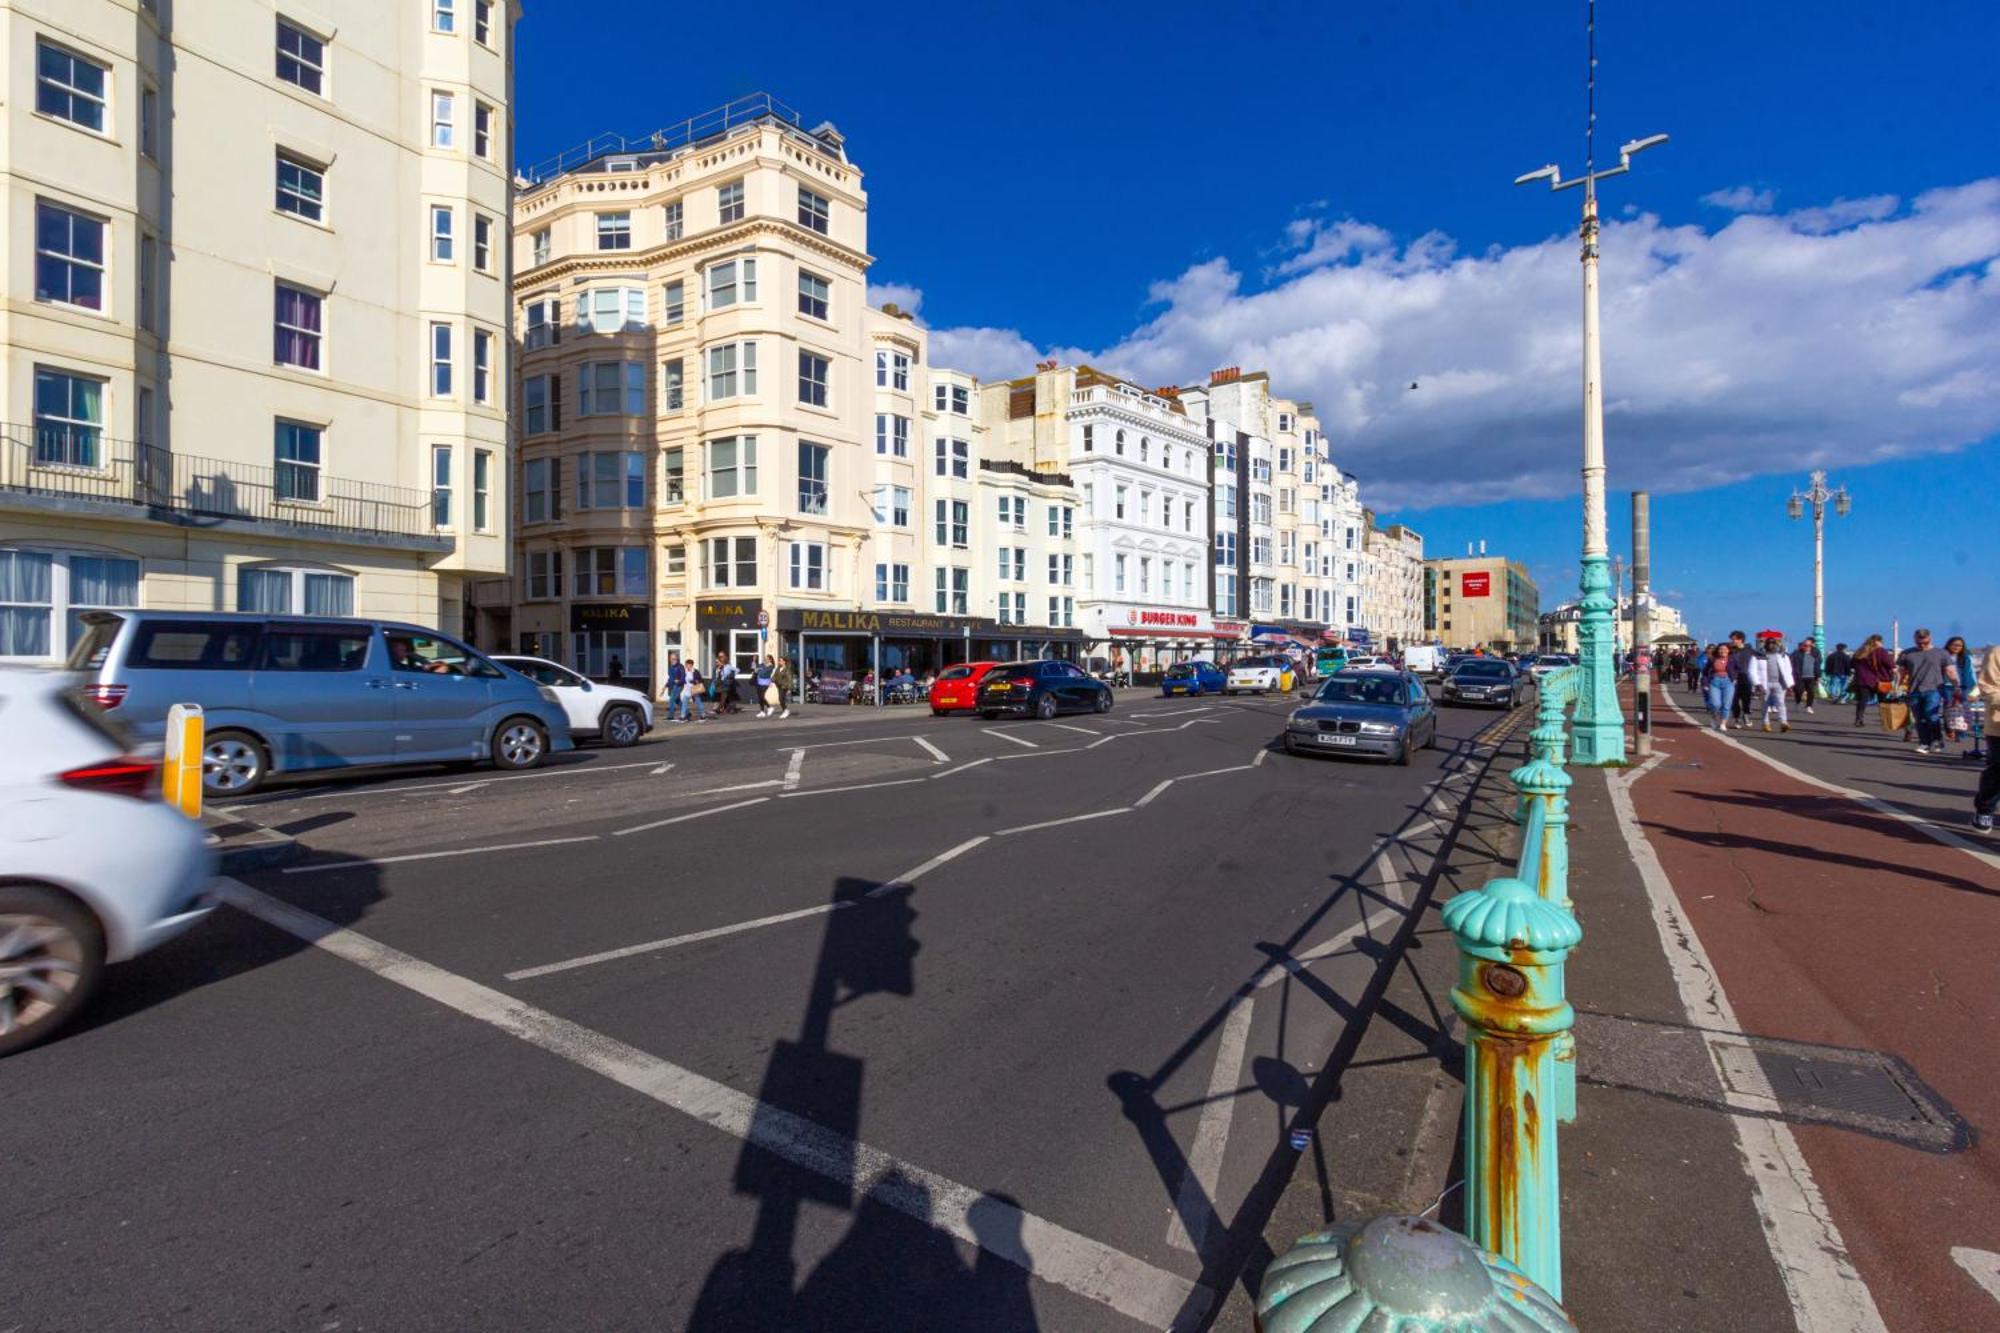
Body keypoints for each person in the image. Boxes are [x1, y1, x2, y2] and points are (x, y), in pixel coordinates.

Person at [1899, 628, 1952, 755]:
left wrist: (1956, 685)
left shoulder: (1941, 653)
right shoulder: (1906, 654)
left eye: (1925, 642)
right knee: (1919, 718)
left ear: (1930, 638)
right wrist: (1897, 686)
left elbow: (1950, 670)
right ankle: (1924, 743)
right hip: (1914, 690)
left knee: (1931, 716)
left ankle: (1937, 740)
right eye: (1919, 643)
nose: (1922, 645)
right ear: (1914, 639)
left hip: (1934, 689)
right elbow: (1901, 673)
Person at [1973, 644, 1999, 834]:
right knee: (1998, 770)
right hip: (1999, 724)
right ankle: (1985, 809)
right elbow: (1987, 686)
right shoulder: (1996, 653)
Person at [1752, 634, 1795, 732]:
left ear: (1777, 644)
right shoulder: (1758, 656)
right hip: (1765, 683)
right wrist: (1757, 683)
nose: (1771, 645)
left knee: (1780, 703)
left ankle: (1783, 722)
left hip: (1779, 683)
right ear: (1765, 645)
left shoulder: (1783, 656)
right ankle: (1765, 723)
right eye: (1769, 643)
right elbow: (1752, 671)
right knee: (1765, 704)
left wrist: (1789, 685)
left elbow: (1788, 670)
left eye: (1773, 643)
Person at [1850, 634, 1895, 727]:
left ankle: (1859, 719)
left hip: (1862, 679)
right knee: (1882, 701)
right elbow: (1890, 664)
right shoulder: (1881, 651)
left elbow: (1852, 664)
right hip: (1880, 680)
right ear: (1878, 641)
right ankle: (1885, 721)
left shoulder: (1860, 651)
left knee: (1862, 700)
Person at [1940, 636, 1973, 755]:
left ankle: (1961, 733)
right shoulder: (1943, 656)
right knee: (1948, 708)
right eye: (1954, 644)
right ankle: (1949, 729)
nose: (1957, 647)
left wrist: (1972, 687)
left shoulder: (1965, 657)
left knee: (1963, 708)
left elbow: (1969, 672)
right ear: (1948, 645)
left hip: (1962, 686)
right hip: (1946, 686)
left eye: (1959, 645)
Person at [1725, 631, 1755, 728]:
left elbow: (1762, 655)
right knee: (1734, 699)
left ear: (1740, 639)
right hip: (1733, 676)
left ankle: (1746, 715)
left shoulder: (1749, 649)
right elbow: (1719, 652)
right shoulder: (1730, 650)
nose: (1732, 641)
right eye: (1731, 639)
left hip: (1745, 676)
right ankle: (1737, 718)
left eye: (1734, 639)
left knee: (1746, 698)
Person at [1701, 644, 1735, 729]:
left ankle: (1723, 723)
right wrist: (1705, 683)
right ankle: (1713, 718)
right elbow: (1705, 672)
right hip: (1715, 682)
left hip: (1728, 682)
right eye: (1720, 649)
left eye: (1724, 649)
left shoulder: (1732, 659)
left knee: (1727, 704)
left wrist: (1735, 677)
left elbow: (1738, 669)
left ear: (1728, 650)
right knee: (1716, 704)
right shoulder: (1713, 659)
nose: (1722, 651)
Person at [1791, 637, 1820, 712]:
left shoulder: (1815, 653)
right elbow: (1792, 663)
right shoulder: (1797, 653)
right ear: (1802, 645)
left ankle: (1809, 706)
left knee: (1811, 691)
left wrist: (1818, 676)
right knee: (1799, 691)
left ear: (1812, 646)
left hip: (1811, 676)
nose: (1807, 647)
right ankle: (1797, 703)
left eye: (1809, 646)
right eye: (1805, 645)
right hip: (1800, 676)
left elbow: (1817, 665)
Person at [664, 652, 687, 722]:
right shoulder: (671, 667)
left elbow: (683, 677)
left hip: (679, 685)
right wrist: (666, 685)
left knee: (672, 700)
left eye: (674, 659)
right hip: (673, 685)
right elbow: (670, 678)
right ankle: (687, 712)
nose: (672, 660)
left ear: (677, 659)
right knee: (677, 701)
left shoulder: (680, 667)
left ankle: (670, 716)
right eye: (671, 659)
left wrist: (679, 681)